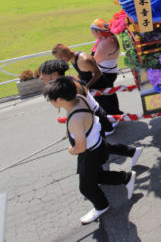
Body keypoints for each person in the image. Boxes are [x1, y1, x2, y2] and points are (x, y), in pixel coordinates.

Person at [43, 77, 136, 225]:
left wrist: (71, 150)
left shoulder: (75, 119)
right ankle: (126, 177)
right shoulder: (80, 98)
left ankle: (101, 206)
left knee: (86, 187)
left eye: (50, 100)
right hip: (99, 145)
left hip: (90, 153)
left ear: (59, 99)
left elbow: (81, 147)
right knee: (97, 177)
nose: (51, 102)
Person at [52, 43, 122, 115]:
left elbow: (98, 73)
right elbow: (83, 73)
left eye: (61, 57)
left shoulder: (84, 59)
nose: (61, 60)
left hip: (101, 86)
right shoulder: (72, 59)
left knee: (111, 110)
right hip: (93, 87)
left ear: (66, 53)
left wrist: (87, 86)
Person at [90, 19, 121, 89]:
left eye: (92, 31)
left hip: (105, 75)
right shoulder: (109, 37)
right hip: (109, 73)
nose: (92, 33)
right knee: (110, 96)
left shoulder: (105, 44)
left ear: (98, 31)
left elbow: (93, 62)